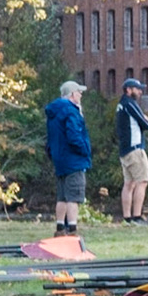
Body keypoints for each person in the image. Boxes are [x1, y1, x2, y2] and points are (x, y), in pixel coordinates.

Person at [44, 78, 91, 237]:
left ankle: (59, 228)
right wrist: (85, 150)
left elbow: (50, 138)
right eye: (79, 92)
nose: (81, 95)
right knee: (74, 196)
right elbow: (74, 135)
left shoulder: (54, 112)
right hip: (74, 159)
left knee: (62, 196)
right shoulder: (71, 111)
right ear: (72, 94)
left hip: (60, 159)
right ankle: (72, 230)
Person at [116, 77, 148, 225]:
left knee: (128, 183)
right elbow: (146, 125)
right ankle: (137, 217)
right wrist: (146, 119)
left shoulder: (120, 105)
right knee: (142, 181)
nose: (140, 91)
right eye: (137, 89)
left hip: (124, 150)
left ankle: (127, 218)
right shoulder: (130, 104)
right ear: (128, 90)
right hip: (135, 149)